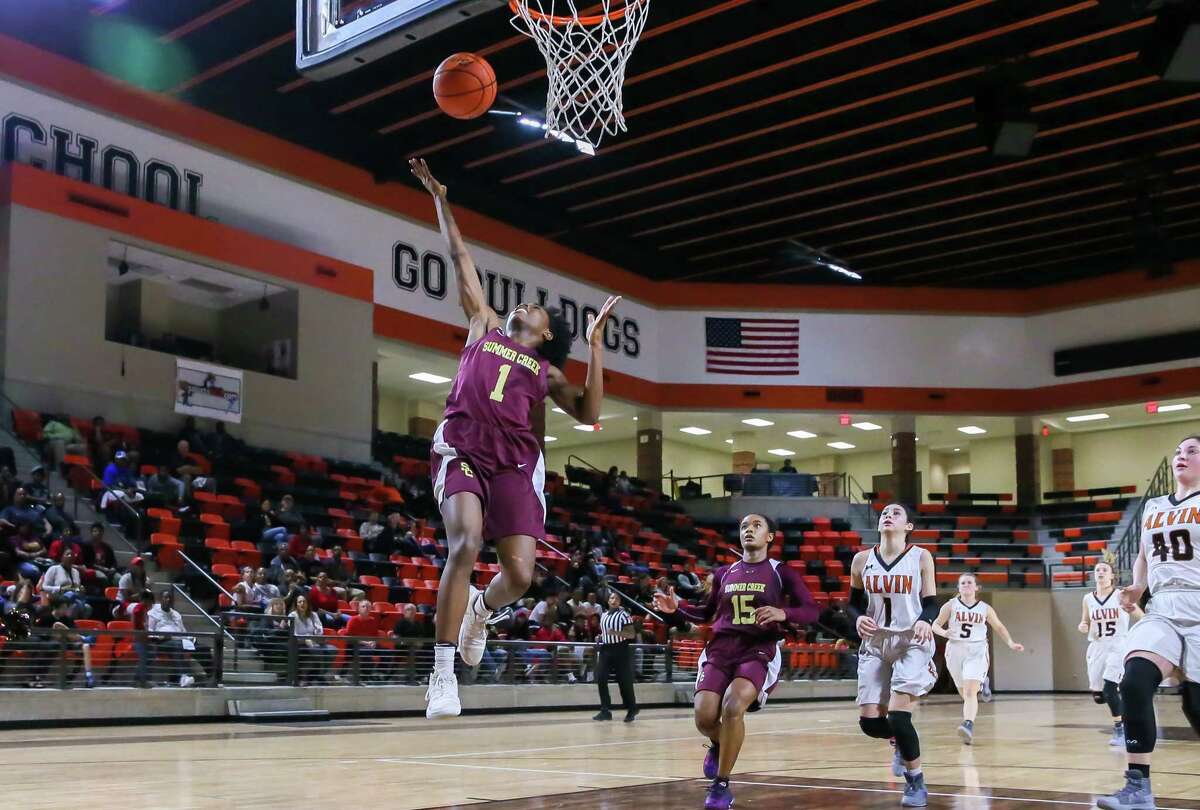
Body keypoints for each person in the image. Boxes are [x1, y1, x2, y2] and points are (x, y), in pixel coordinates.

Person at [410, 157, 620, 720]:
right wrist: (440, 198)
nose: (521, 305)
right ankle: (442, 673)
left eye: (533, 308)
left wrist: (596, 349)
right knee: (465, 543)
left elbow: (589, 412)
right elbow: (459, 257)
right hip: (463, 444)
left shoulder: (546, 372)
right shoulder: (481, 324)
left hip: (515, 461)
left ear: (545, 332)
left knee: (522, 575)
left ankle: (481, 610)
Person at [653, 513, 819, 810]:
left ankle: (721, 785)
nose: (749, 530)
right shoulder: (724, 573)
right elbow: (705, 614)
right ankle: (720, 744)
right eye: (744, 526)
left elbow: (811, 610)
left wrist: (785, 614)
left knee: (732, 707)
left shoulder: (781, 572)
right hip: (721, 648)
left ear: (769, 536)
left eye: (756, 526)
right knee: (704, 718)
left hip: (758, 647)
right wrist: (675, 610)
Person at [1098, 435, 1200, 810]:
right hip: (1163, 608)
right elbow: (1142, 554)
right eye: (1177, 451)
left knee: (1196, 706)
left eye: (1192, 451)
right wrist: (1139, 585)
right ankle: (1138, 787)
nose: (1181, 456)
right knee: (1135, 680)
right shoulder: (1155, 506)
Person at [849, 503, 938, 808]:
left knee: (899, 716)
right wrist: (858, 617)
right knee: (870, 722)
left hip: (911, 639)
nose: (888, 515)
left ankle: (916, 781)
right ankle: (899, 741)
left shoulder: (920, 557)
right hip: (875, 640)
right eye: (885, 513)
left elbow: (931, 602)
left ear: (908, 526)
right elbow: (853, 603)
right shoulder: (861, 560)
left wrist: (926, 620)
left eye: (896, 513)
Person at [931, 572, 1024, 745]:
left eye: (969, 582)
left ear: (976, 587)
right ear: (958, 587)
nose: (966, 585)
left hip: (977, 650)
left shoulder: (985, 608)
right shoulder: (950, 605)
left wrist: (1011, 642)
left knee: (969, 692)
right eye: (963, 583)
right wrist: (944, 632)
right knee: (964, 693)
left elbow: (999, 626)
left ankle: (968, 725)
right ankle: (983, 682)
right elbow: (935, 625)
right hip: (955, 650)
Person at [1079, 556, 1143, 749]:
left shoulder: (1120, 595)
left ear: (1112, 576)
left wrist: (1132, 608)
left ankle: (1120, 729)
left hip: (1118, 645)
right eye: (1097, 570)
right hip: (1097, 646)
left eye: (1104, 570)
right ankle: (1125, 710)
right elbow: (1085, 621)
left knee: (1109, 687)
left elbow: (1141, 616)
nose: (1100, 573)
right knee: (1100, 696)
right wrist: (1083, 625)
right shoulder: (1088, 598)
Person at [593, 590, 638, 721]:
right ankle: (605, 710)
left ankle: (632, 708)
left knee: (624, 681)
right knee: (600, 677)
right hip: (605, 649)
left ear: (619, 602)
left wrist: (616, 632)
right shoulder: (604, 615)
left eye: (617, 599)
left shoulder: (624, 615)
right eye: (612, 598)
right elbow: (606, 632)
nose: (614, 600)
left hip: (620, 649)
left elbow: (631, 634)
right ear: (608, 601)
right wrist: (601, 637)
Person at [147, 589, 203, 687]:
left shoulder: (176, 615)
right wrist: (161, 636)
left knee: (202, 648)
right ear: (160, 599)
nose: (168, 600)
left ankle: (211, 676)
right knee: (178, 646)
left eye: (170, 598)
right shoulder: (153, 613)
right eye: (166, 597)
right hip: (161, 642)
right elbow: (150, 631)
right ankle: (183, 676)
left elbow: (183, 631)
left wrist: (191, 638)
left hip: (179, 641)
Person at [290, 594, 335, 685]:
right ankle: (309, 677)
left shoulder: (313, 615)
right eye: (300, 602)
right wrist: (306, 639)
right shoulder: (292, 615)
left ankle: (319, 675)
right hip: (300, 643)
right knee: (317, 651)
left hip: (314, 641)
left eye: (304, 601)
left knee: (332, 650)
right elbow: (293, 634)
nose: (302, 603)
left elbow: (320, 629)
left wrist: (317, 633)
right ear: (296, 604)